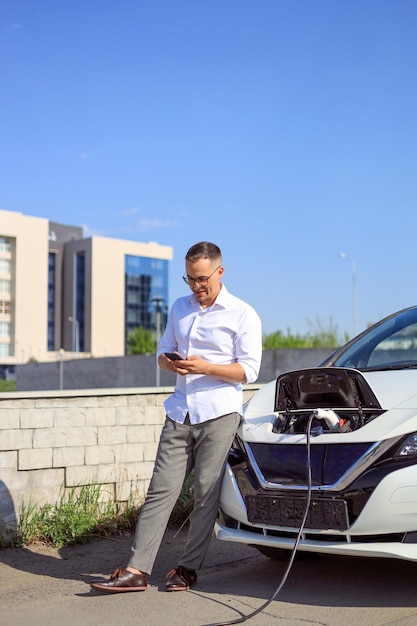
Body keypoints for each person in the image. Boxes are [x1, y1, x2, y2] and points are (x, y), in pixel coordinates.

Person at [90, 241, 262, 594]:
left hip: (219, 412)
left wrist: (206, 367)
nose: (197, 287)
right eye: (190, 280)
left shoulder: (243, 314)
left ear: (220, 272)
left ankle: (187, 568)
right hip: (180, 410)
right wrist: (167, 362)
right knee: (160, 491)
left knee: (205, 494)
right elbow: (160, 350)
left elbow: (250, 371)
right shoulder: (179, 308)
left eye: (202, 280)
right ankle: (137, 570)